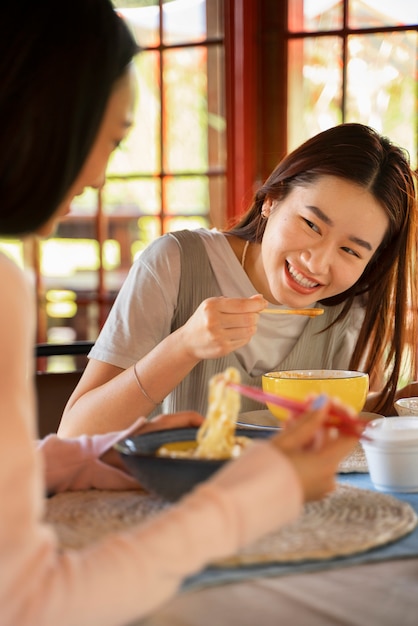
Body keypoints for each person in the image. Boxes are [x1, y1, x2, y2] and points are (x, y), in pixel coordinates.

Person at [0, 2, 361, 625]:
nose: (97, 176)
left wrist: (80, 459)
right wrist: (259, 496)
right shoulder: (167, 262)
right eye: (107, 140)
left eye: (353, 250)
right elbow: (35, 604)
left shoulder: (346, 314)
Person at [58, 122, 418, 438]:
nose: (318, 263)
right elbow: (75, 431)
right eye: (311, 224)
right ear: (272, 201)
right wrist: (184, 345)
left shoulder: (352, 309)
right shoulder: (176, 263)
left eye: (351, 251)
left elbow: (341, 433)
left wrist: (396, 408)